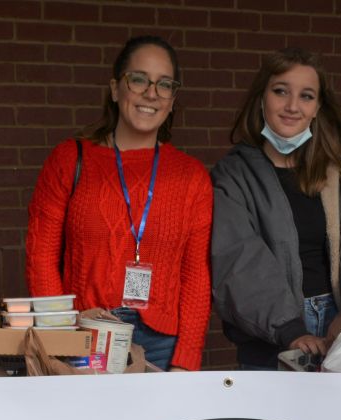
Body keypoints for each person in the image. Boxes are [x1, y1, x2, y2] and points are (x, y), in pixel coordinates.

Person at [25, 35, 212, 372]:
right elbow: (41, 254)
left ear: (172, 99)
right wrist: (59, 334)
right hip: (85, 334)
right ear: (115, 89)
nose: (151, 93)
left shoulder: (192, 176)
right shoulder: (70, 159)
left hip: (162, 344)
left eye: (164, 84)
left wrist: (186, 360)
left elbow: (196, 274)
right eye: (138, 79)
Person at [210, 47, 341, 370]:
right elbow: (238, 260)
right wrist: (290, 329)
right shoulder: (234, 177)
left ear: (317, 108)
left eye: (306, 96)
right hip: (271, 336)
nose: (292, 106)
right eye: (280, 91)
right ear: (261, 98)